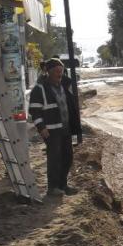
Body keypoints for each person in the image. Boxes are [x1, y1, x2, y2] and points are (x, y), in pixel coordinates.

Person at [28, 58, 77, 196]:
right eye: (56, 71)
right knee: (55, 159)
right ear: (49, 72)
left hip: (65, 128)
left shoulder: (64, 85)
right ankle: (53, 187)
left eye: (61, 71)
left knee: (67, 157)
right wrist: (41, 128)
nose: (60, 74)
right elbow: (34, 111)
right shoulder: (40, 89)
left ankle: (63, 185)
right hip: (51, 130)